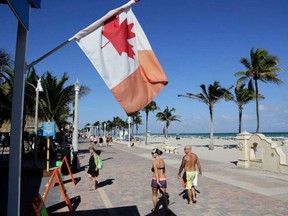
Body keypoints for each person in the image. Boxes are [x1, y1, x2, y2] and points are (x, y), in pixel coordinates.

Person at [150, 148, 170, 214]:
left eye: (152, 153)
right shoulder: (162, 161)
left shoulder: (155, 161)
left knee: (154, 195)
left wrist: (158, 181)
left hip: (156, 179)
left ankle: (156, 209)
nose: (152, 155)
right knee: (163, 195)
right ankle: (167, 209)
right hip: (163, 179)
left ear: (156, 153)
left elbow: (156, 172)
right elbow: (163, 170)